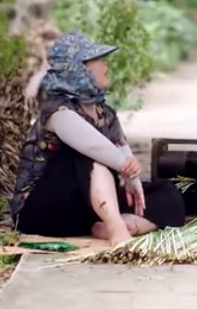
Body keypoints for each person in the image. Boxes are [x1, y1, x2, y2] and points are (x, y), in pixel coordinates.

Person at [10, 31, 185, 245]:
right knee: (89, 157)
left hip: (86, 209)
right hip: (43, 210)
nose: (106, 66)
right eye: (98, 60)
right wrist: (126, 170)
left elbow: (122, 150)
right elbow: (95, 146)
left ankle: (127, 224)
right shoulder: (57, 109)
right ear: (78, 69)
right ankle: (118, 228)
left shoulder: (106, 113)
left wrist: (133, 178)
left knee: (166, 192)